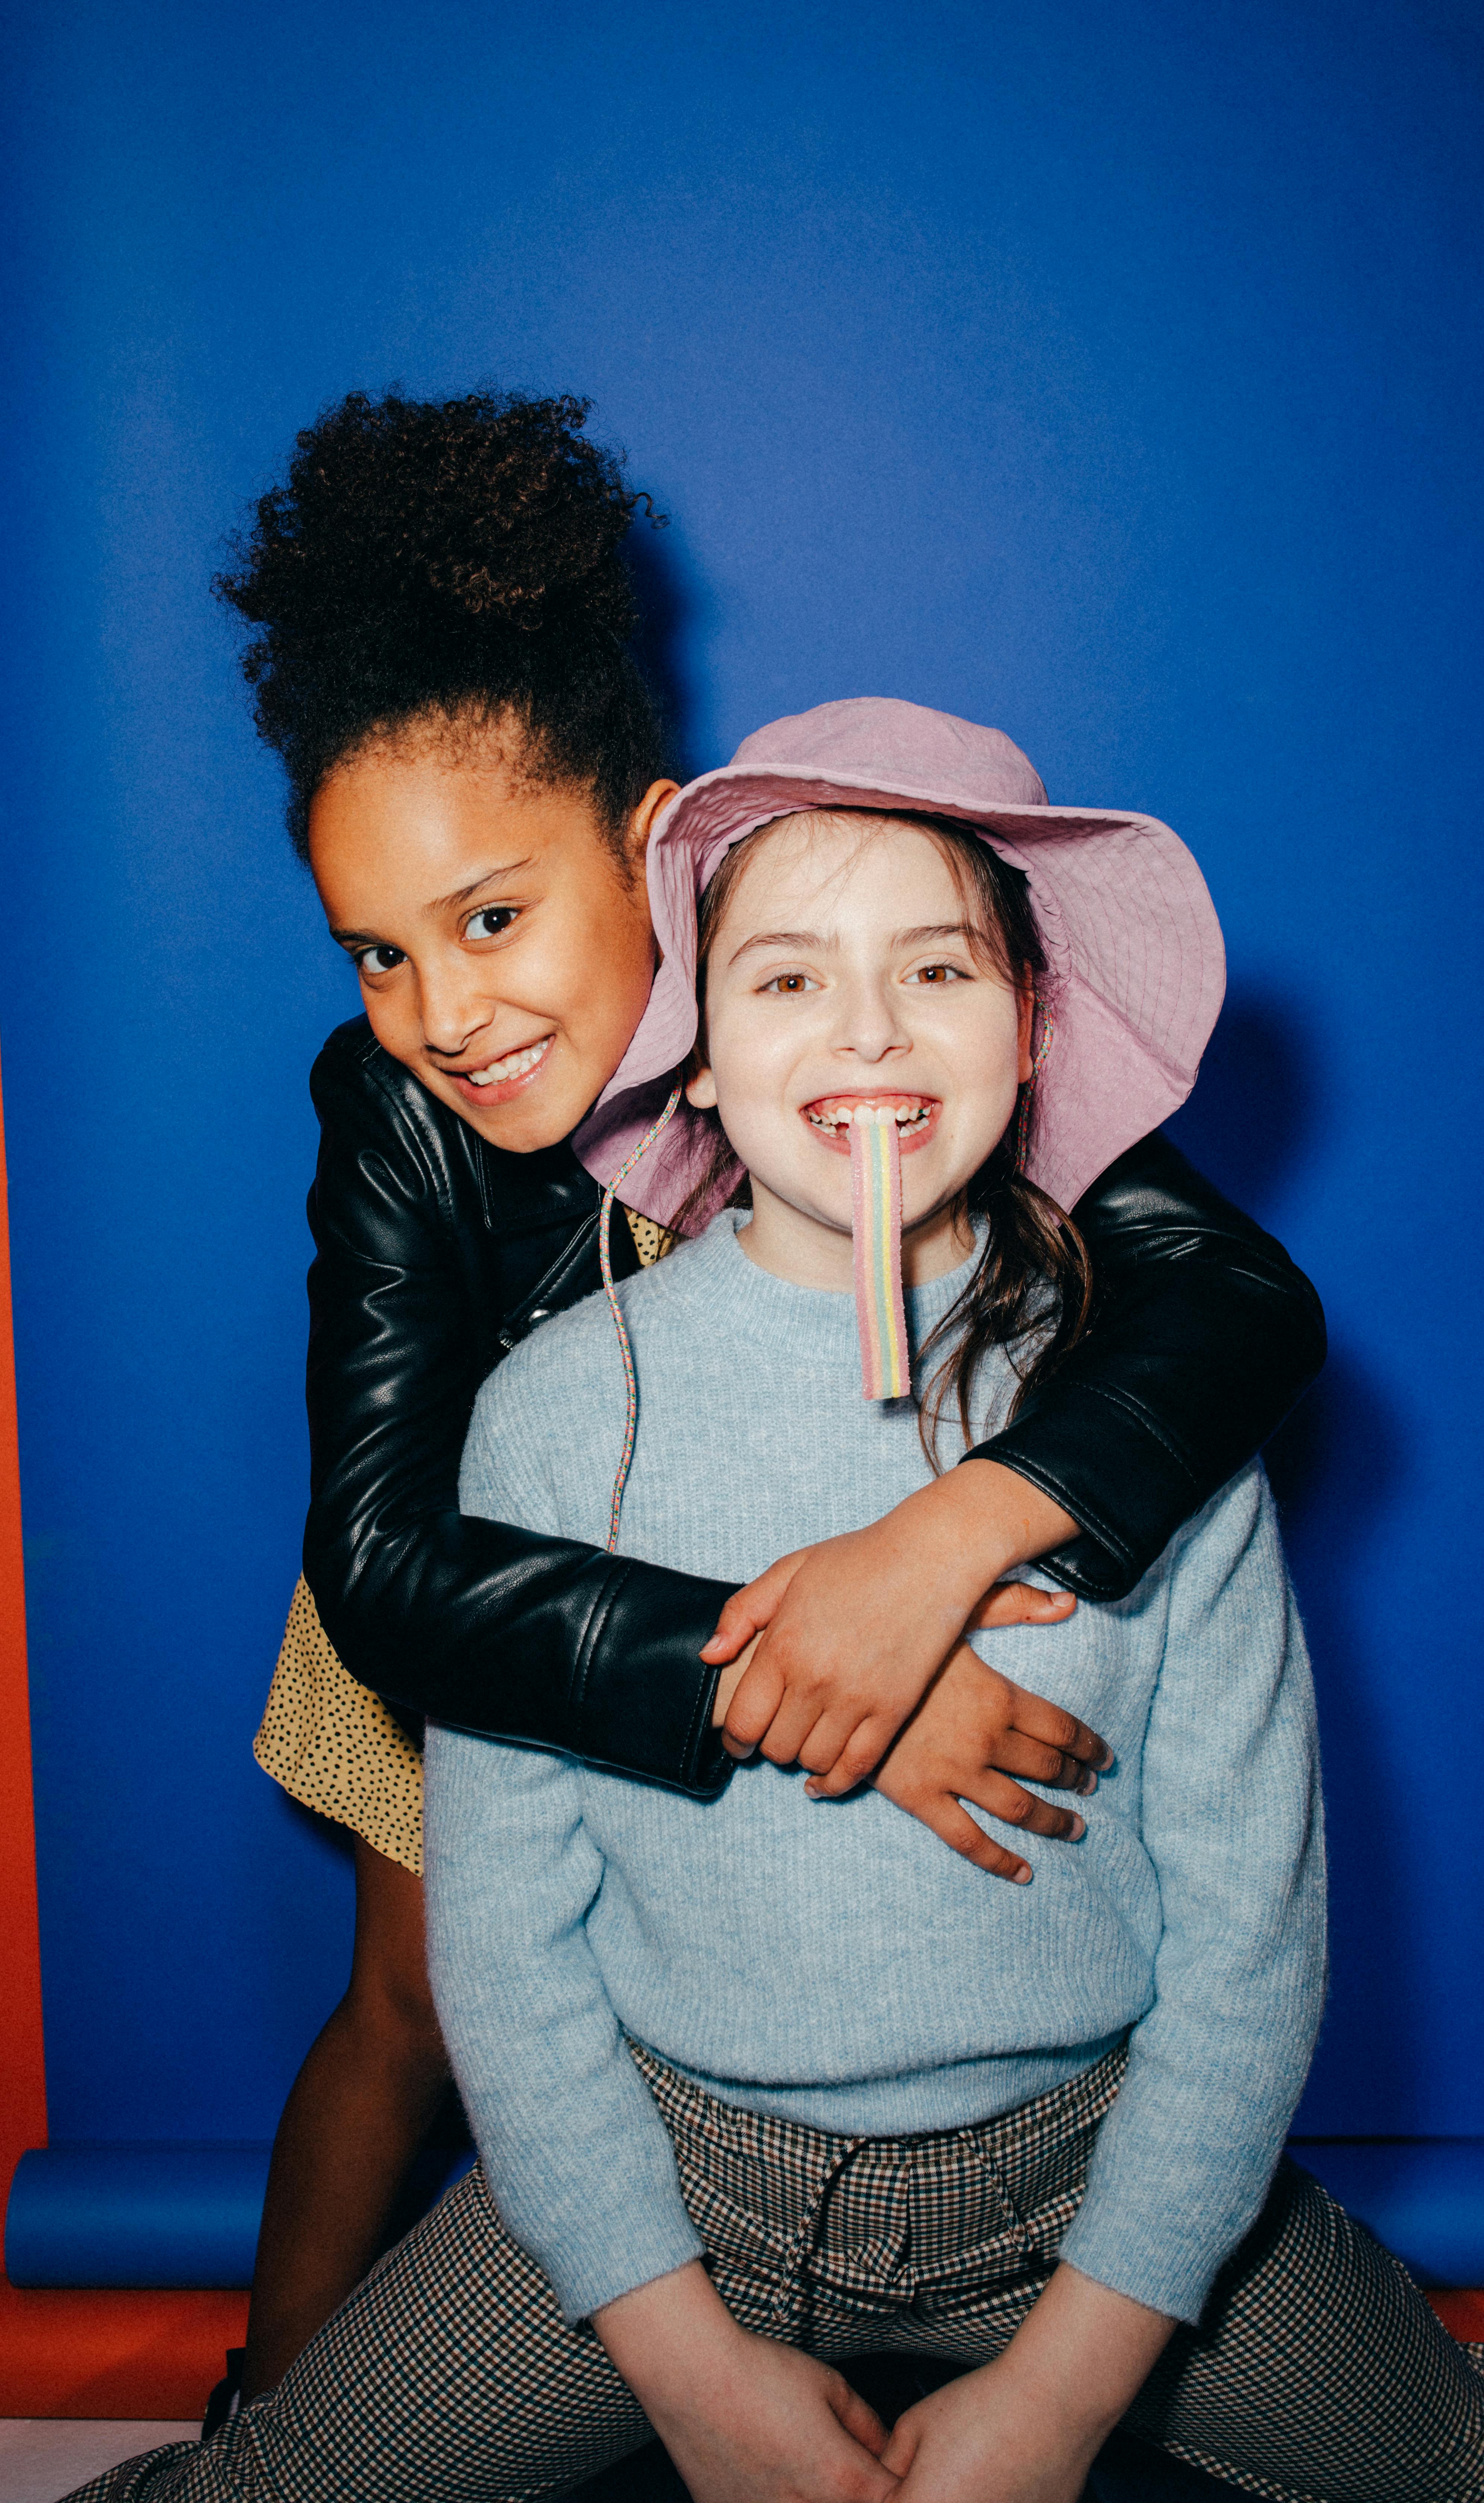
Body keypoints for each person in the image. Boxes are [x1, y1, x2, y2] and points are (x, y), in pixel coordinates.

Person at [65, 702, 1481, 2503]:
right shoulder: (548, 1390)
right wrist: (676, 2357)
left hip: (1094, 2166)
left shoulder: (1152, 1395)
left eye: (939, 973)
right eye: (790, 980)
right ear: (704, 1052)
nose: (871, 1027)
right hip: (659, 2149)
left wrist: (1061, 2392)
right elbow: (484, 1879)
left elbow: (1248, 1948)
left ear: (1033, 1034)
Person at [213, 390, 1325, 2399]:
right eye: (374, 954)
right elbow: (386, 1558)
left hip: (815, 1552)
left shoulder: (853, 989)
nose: (443, 1014)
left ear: (653, 849)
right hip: (488, 1585)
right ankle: (275, 2411)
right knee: (413, 2009)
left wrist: (943, 1545)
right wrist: (818, 1683)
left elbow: (1237, 1303)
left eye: (490, 919)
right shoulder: (391, 1109)